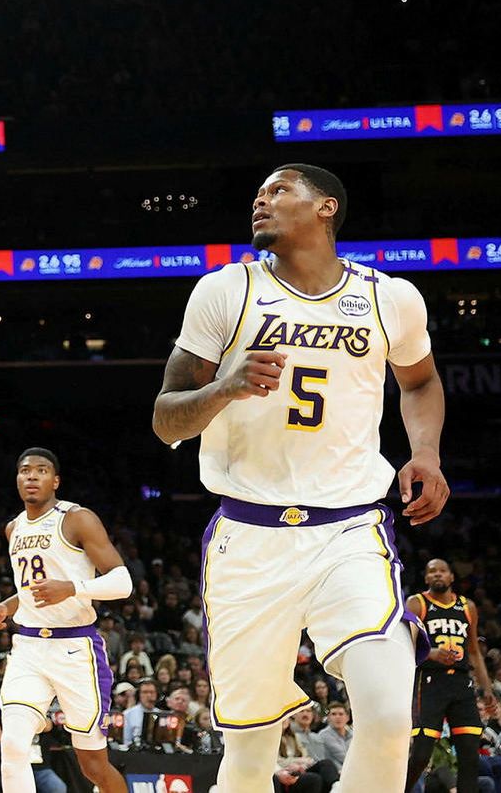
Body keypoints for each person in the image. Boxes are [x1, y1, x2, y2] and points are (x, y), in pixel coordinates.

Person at [153, 163, 448, 793]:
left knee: (393, 717)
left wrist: (425, 451)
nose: (260, 200)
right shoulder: (226, 292)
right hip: (250, 538)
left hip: (350, 529)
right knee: (249, 756)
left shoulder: (389, 297)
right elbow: (165, 418)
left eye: (279, 190)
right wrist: (225, 388)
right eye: (257, 193)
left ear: (327, 208)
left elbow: (419, 381)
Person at [0, 449, 130, 793]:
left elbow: (123, 582)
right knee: (14, 744)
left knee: (93, 766)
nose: (31, 476)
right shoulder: (13, 528)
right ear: (17, 479)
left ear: (56, 481)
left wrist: (73, 588)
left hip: (75, 649)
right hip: (29, 648)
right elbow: (31, 590)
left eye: (41, 470)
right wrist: (6, 606)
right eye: (24, 471)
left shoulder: (77, 519)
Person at [407, 558, 501, 792]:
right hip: (429, 682)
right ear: (426, 578)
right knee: (420, 754)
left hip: (461, 684)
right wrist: (431, 652)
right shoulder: (417, 603)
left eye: (442, 571)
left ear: (451, 577)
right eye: (432, 571)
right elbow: (405, 645)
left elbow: (474, 652)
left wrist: (487, 689)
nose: (437, 574)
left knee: (470, 756)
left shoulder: (467, 606)